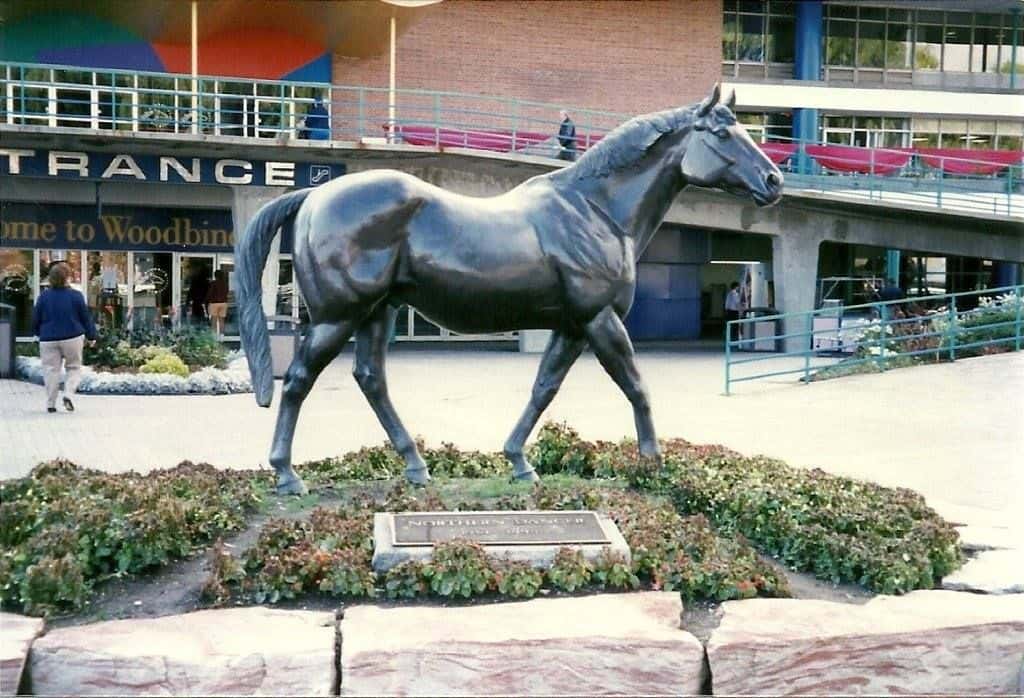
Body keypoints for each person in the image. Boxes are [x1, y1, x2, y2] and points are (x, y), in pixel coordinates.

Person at [32, 262, 97, 413]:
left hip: (48, 338)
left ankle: (50, 403)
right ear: (67, 277)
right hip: (72, 336)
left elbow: (35, 318)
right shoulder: (76, 296)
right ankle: (68, 394)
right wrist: (91, 335)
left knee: (50, 370)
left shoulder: (44, 297)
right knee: (74, 367)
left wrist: (37, 332)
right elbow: (85, 318)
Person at [206, 269, 230, 338]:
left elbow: (210, 293)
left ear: (215, 275)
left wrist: (206, 300)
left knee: (214, 320)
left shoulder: (213, 283)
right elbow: (226, 292)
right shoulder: (225, 284)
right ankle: (222, 335)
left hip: (214, 303)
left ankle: (214, 336)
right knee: (221, 320)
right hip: (223, 303)